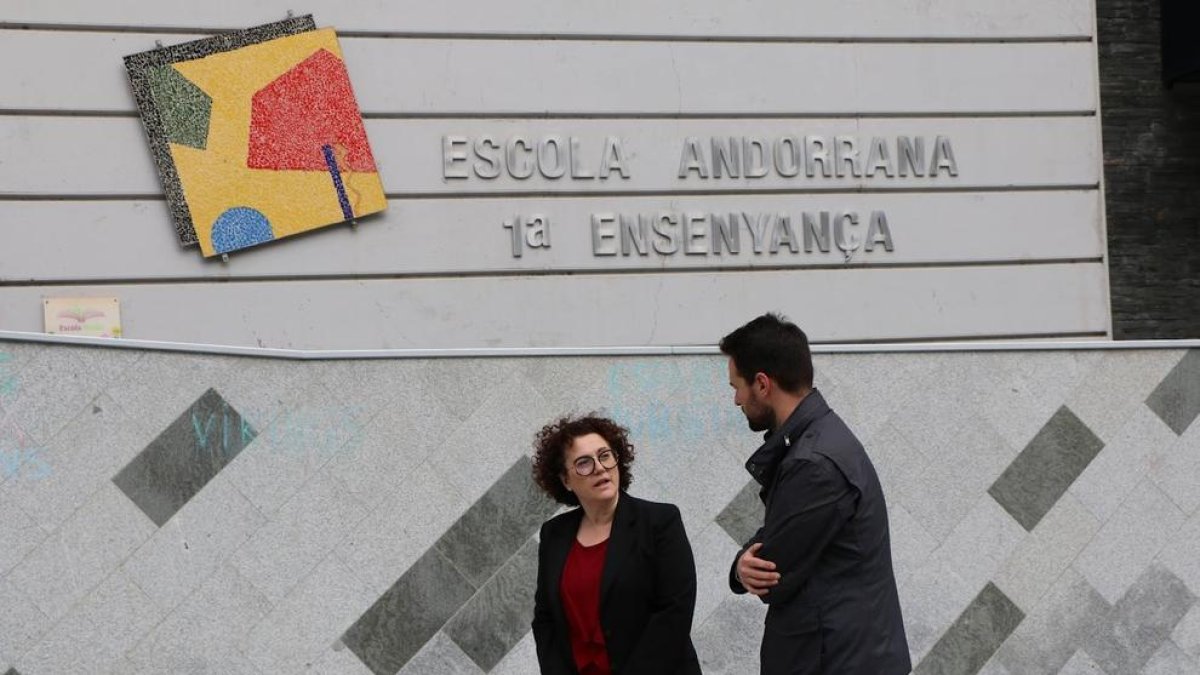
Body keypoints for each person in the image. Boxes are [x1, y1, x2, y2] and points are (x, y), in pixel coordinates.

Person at [720, 313, 910, 675]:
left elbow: (772, 575)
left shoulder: (814, 463)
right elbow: (782, 536)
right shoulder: (816, 443)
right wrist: (742, 565)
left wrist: (743, 568)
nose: (735, 400)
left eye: (736, 386)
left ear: (762, 384)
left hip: (834, 660)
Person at [531, 414, 701, 675]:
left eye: (605, 455)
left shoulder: (660, 522)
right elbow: (546, 619)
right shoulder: (554, 534)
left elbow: (674, 612)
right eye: (584, 463)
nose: (600, 468)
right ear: (566, 480)